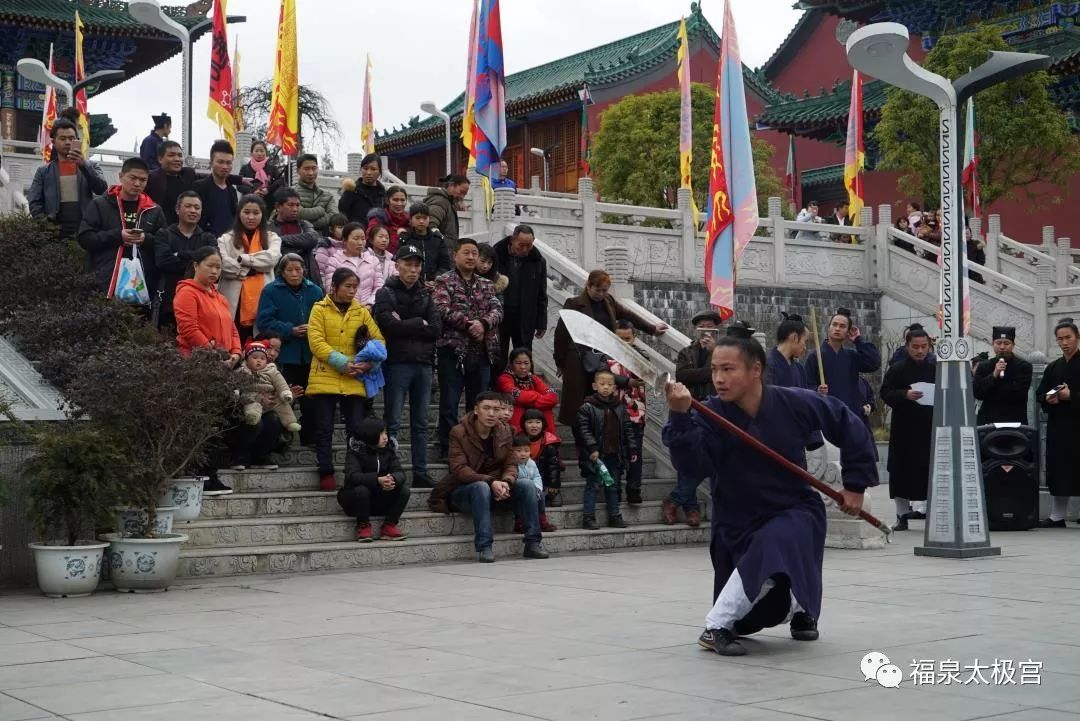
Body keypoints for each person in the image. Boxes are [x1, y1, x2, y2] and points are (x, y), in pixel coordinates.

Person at [663, 329, 878, 657]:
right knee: (754, 615)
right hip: (735, 518)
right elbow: (693, 465)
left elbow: (848, 424)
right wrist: (679, 417)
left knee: (776, 540)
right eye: (715, 370)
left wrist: (854, 485)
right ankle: (795, 605)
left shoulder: (793, 401)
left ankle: (716, 625)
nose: (718, 378)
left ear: (755, 370)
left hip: (792, 506)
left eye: (728, 369)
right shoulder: (709, 414)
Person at [427, 392, 549, 562]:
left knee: (527, 485)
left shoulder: (505, 431)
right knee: (481, 487)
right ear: (476, 410)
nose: (492, 414)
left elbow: (511, 464)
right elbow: (459, 469)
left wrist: (507, 482)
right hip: (464, 491)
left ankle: (533, 543)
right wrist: (491, 481)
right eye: (487, 408)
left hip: (496, 489)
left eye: (496, 409)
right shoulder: (459, 432)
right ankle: (484, 546)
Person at [553, 269, 666, 427]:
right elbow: (561, 335)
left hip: (604, 361)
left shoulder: (609, 302)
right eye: (597, 290)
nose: (600, 294)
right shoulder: (574, 304)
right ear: (588, 286)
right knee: (579, 408)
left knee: (602, 403)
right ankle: (582, 444)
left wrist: (652, 329)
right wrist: (560, 362)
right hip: (579, 360)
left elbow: (628, 315)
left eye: (604, 290)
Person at [306, 267, 386, 492]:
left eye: (355, 287)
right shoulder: (319, 309)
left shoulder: (361, 311)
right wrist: (343, 363)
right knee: (324, 428)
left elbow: (379, 340)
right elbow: (316, 341)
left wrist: (370, 363)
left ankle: (354, 472)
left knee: (356, 429)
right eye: (347, 286)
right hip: (325, 376)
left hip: (355, 378)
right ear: (334, 287)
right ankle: (325, 471)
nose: (352, 291)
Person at [373, 243, 441, 488]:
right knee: (392, 420)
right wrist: (418, 323)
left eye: (417, 265)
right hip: (397, 363)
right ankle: (391, 469)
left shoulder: (427, 294)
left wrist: (408, 324)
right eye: (408, 264)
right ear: (397, 265)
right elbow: (388, 325)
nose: (413, 270)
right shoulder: (385, 293)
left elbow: (435, 329)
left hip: (423, 364)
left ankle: (420, 471)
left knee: (421, 423)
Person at [433, 238, 504, 459]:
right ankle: (448, 447)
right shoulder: (444, 281)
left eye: (475, 253)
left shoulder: (486, 284)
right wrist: (468, 324)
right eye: (467, 253)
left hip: (482, 351)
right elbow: (441, 308)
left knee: (478, 404)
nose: (471, 257)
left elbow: (498, 311)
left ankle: (475, 448)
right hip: (453, 350)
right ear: (455, 255)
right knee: (449, 403)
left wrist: (483, 324)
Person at [256, 253, 325, 445]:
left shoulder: (316, 291)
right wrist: (290, 330)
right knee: (285, 397)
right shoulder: (271, 291)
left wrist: (313, 329)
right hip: (285, 354)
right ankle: (281, 439)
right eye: (290, 270)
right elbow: (264, 321)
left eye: (298, 269)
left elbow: (325, 318)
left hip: (311, 354)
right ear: (282, 272)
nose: (295, 273)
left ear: (304, 270)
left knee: (312, 399)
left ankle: (310, 437)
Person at [77, 157, 167, 296]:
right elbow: (85, 238)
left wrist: (145, 239)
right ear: (121, 176)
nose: (137, 184)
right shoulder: (100, 204)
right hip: (104, 281)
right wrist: (118, 236)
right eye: (133, 178)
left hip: (141, 285)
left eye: (143, 180)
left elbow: (164, 245)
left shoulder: (154, 210)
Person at [664, 309, 722, 526]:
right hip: (687, 408)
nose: (706, 331)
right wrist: (710, 371)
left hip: (712, 410)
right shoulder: (686, 352)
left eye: (710, 327)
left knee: (707, 459)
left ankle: (674, 499)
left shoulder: (721, 352)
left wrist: (714, 355)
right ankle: (690, 507)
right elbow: (683, 376)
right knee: (686, 457)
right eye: (702, 327)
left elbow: (720, 375)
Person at [879, 327, 935, 531]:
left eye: (924, 347)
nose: (920, 351)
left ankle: (931, 511)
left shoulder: (936, 366)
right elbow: (885, 393)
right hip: (904, 427)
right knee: (901, 471)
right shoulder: (898, 368)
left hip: (929, 426)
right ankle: (901, 515)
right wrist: (904, 395)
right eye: (915, 347)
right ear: (907, 346)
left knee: (928, 470)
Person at [28, 118, 107, 239]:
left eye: (72, 138)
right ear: (53, 142)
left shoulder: (91, 166)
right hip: (55, 231)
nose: (68, 142)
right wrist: (45, 225)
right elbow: (34, 202)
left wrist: (83, 165)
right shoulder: (43, 172)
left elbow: (101, 188)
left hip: (85, 228)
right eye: (63, 138)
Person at [217, 194, 282, 342]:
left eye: (256, 213)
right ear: (239, 213)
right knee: (232, 341)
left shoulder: (272, 237)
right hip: (233, 298)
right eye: (246, 212)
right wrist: (252, 268)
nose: (251, 217)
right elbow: (223, 265)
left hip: (262, 297)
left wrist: (243, 259)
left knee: (259, 346)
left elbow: (272, 258)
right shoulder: (226, 238)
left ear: (262, 215)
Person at [1035, 318, 1080, 528]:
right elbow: (1040, 393)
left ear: (1077, 338)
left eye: (1068, 338)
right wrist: (1048, 398)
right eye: (1060, 339)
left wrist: (1071, 396)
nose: (1064, 343)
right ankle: (1056, 515)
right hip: (1059, 426)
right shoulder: (1054, 367)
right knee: (1059, 469)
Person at [803, 307, 881, 426]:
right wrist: (817, 390)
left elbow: (874, 363)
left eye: (843, 326)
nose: (837, 328)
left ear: (848, 331)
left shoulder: (852, 356)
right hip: (826, 416)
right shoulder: (815, 356)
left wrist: (858, 340)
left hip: (850, 415)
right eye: (834, 324)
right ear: (829, 328)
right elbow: (806, 386)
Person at [576, 368, 633, 530]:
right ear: (595, 386)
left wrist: (632, 450)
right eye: (602, 384)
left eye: (609, 384)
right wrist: (592, 448)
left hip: (615, 454)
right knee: (593, 485)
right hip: (596, 455)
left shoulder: (620, 407)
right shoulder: (587, 407)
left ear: (615, 388)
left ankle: (614, 516)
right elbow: (583, 430)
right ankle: (588, 517)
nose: (606, 387)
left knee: (613, 485)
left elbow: (627, 429)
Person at [154, 190, 217, 330]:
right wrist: (197, 259)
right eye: (188, 206)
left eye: (197, 207)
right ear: (177, 209)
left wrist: (180, 254)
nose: (193, 211)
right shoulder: (164, 234)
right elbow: (163, 262)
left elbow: (212, 264)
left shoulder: (208, 238)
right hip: (169, 302)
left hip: (202, 303)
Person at [340, 417, 410, 541]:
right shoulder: (354, 453)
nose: (385, 437)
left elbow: (400, 472)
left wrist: (392, 479)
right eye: (381, 433)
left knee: (404, 490)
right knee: (361, 490)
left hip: (379, 499)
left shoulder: (388, 452)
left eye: (386, 433)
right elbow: (353, 476)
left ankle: (389, 526)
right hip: (356, 501)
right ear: (370, 435)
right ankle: (363, 525)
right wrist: (377, 480)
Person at [173, 246, 241, 362]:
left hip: (223, 361)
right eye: (210, 266)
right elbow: (188, 329)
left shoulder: (221, 298)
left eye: (218, 267)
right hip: (196, 360)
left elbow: (232, 330)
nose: (214, 271)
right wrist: (212, 353)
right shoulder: (187, 292)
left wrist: (236, 353)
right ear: (196, 266)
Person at [494, 224, 548, 365]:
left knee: (524, 355)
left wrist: (541, 321)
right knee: (498, 354)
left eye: (528, 245)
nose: (525, 249)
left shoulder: (538, 261)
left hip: (524, 315)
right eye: (521, 245)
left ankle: (525, 386)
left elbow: (542, 293)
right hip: (499, 314)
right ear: (512, 240)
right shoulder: (496, 255)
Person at [607, 320, 648, 505]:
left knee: (635, 454)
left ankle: (634, 489)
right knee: (614, 454)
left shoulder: (642, 356)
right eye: (619, 338)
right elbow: (604, 378)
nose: (624, 342)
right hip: (613, 413)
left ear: (635, 338)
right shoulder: (604, 356)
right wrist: (626, 381)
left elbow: (645, 376)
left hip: (636, 413)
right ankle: (614, 491)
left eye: (628, 339)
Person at [972, 326, 1032, 425]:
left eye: (1006, 343)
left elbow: (1019, 394)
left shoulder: (1024, 367)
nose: (1002, 347)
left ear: (1013, 345)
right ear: (993, 344)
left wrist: (994, 389)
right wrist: (994, 375)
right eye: (998, 343)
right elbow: (978, 393)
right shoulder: (984, 366)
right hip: (988, 422)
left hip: (1015, 421)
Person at [238, 339, 300, 433]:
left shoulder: (272, 370)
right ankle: (252, 416)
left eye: (262, 358)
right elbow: (237, 386)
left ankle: (290, 422)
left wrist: (286, 393)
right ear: (247, 359)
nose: (259, 360)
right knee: (252, 409)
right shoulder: (243, 371)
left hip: (271, 398)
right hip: (251, 397)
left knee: (282, 407)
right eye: (255, 358)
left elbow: (280, 383)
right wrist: (258, 398)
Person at [195, 140, 252, 237]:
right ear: (211, 163)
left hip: (230, 244)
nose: (225, 166)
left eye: (228, 163)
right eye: (220, 162)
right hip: (206, 245)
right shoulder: (199, 187)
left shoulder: (232, 191)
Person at [269, 187, 324, 286]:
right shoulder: (269, 228)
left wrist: (280, 240)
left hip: (308, 280)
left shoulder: (304, 225)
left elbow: (312, 239)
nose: (295, 209)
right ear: (278, 206)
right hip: (280, 281)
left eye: (297, 205)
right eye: (290, 205)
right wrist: (300, 243)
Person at [494, 347, 558, 432]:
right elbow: (517, 397)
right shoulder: (505, 378)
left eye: (526, 363)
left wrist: (530, 402)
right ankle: (518, 438)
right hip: (511, 410)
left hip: (530, 411)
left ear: (531, 364)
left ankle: (550, 440)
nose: (523, 367)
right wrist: (536, 395)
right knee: (518, 408)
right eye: (518, 363)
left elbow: (553, 397)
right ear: (511, 364)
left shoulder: (533, 378)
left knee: (546, 409)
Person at [510, 433, 557, 534]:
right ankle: (520, 522)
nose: (523, 454)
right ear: (512, 451)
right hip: (517, 490)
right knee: (521, 499)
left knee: (541, 495)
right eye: (519, 451)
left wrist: (537, 488)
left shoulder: (531, 463)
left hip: (532, 490)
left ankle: (542, 520)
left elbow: (537, 476)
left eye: (526, 451)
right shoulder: (511, 464)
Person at [399, 202, 451, 289]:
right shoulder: (405, 239)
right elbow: (401, 263)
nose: (421, 221)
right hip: (411, 285)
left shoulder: (438, 239)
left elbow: (445, 265)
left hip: (436, 286)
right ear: (411, 220)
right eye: (418, 218)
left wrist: (435, 280)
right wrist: (419, 282)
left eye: (425, 218)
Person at [146, 140, 198, 225]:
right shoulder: (151, 178)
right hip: (159, 230)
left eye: (180, 156)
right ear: (160, 159)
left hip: (184, 231)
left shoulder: (188, 174)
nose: (177, 159)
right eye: (171, 155)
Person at [522, 408, 564, 508]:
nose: (534, 426)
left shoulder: (549, 443)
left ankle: (548, 493)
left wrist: (554, 485)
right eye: (530, 422)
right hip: (525, 477)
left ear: (543, 424)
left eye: (538, 422)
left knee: (555, 502)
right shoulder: (519, 440)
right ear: (523, 424)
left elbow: (553, 466)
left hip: (544, 477)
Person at [293, 154, 337, 233]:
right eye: (306, 169)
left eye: (314, 168)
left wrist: (309, 225)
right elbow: (299, 213)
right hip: (298, 237)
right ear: (298, 170)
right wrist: (321, 210)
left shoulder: (327, 195)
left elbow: (334, 216)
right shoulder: (291, 193)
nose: (311, 173)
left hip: (324, 239)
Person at [339, 153, 386, 225]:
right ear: (361, 169)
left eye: (373, 169)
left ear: (380, 171)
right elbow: (342, 214)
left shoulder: (383, 194)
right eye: (365, 168)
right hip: (356, 233)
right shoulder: (351, 191)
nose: (369, 172)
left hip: (377, 233)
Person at [357, 224, 398, 307]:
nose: (384, 240)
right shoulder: (363, 257)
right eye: (380, 236)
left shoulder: (392, 261)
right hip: (364, 301)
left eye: (387, 237)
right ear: (371, 240)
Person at [766, 313, 810, 388]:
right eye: (805, 341)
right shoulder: (768, 367)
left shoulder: (799, 369)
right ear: (795, 337)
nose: (805, 347)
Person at [423, 173, 470, 244]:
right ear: (451, 185)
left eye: (465, 194)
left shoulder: (448, 203)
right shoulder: (440, 202)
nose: (462, 197)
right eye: (461, 192)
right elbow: (430, 225)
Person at [319, 222, 365, 292]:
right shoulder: (334, 261)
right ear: (344, 241)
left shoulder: (373, 260)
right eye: (356, 239)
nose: (360, 243)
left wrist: (370, 302)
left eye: (363, 239)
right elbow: (331, 288)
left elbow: (379, 286)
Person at [367, 185, 410, 253]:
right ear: (387, 201)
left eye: (402, 200)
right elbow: (370, 240)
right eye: (395, 200)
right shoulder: (377, 219)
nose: (399, 203)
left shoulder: (410, 222)